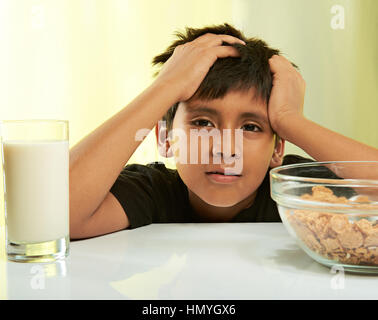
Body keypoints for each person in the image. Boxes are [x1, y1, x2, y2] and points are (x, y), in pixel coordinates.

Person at [69, 23, 378, 239]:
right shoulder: (154, 192)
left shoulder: (295, 191)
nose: (225, 149)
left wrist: (288, 118)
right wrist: (167, 86)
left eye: (251, 127)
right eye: (203, 123)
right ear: (165, 138)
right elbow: (52, 213)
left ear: (277, 149)